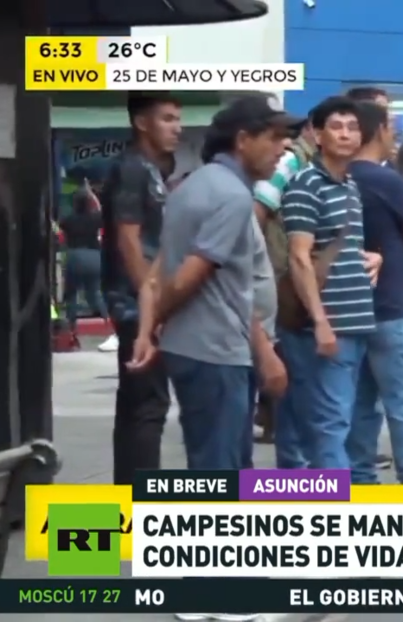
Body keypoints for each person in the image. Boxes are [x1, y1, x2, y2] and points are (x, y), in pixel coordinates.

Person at [128, 96, 297, 473]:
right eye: (272, 137)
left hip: (204, 350)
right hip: (216, 351)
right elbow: (191, 276)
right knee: (219, 471)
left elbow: (156, 274)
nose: (282, 148)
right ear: (242, 140)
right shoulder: (232, 196)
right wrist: (156, 324)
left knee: (225, 465)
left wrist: (149, 327)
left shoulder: (192, 186)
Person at [277, 96, 380, 470]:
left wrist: (374, 258)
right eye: (336, 127)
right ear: (317, 135)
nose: (346, 134)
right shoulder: (307, 184)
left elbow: (342, 246)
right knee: (330, 425)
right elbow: (299, 256)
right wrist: (321, 322)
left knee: (330, 421)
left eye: (353, 128)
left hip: (355, 323)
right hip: (325, 327)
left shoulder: (348, 185)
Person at [347, 101, 403, 484]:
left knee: (361, 401)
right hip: (392, 304)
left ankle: (360, 477)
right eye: (391, 125)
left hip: (351, 305)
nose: (395, 134)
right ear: (379, 129)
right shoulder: (387, 180)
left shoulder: (336, 176)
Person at [99, 92, 181, 485]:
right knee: (147, 405)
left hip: (142, 300)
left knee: (139, 403)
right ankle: (139, 498)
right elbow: (128, 241)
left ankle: (130, 492)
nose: (177, 128)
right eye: (167, 119)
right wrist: (152, 307)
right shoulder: (131, 168)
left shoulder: (152, 170)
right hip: (134, 303)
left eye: (178, 119)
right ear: (142, 123)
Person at [251, 107, 317, 456]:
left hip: (281, 274)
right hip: (280, 275)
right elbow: (257, 213)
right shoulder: (290, 162)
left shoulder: (308, 164)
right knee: (283, 360)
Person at [60, 187, 109, 343]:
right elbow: (101, 211)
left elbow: (58, 228)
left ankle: (71, 328)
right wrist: (93, 196)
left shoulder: (68, 220)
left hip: (75, 256)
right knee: (95, 292)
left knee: (72, 294)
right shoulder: (96, 218)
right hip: (95, 257)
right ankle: (108, 323)